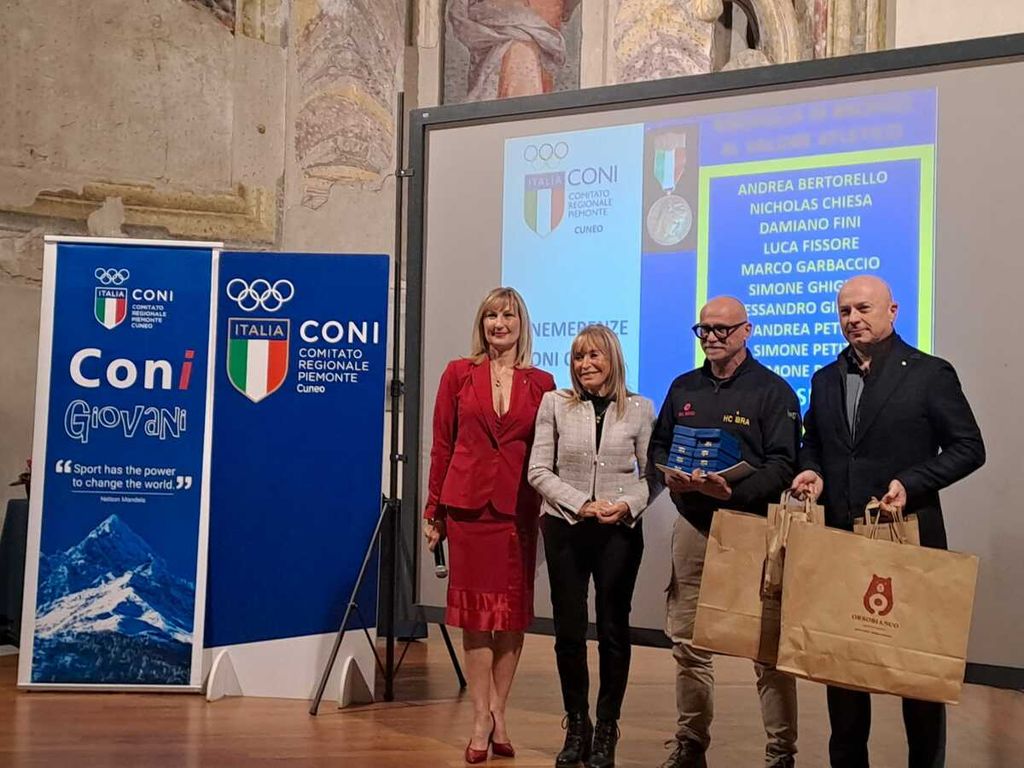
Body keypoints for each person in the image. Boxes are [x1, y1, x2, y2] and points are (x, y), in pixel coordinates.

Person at [791, 275, 985, 768]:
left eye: (863, 308)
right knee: (843, 676)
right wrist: (811, 470)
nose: (853, 319)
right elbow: (814, 442)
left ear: (893, 311)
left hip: (909, 541)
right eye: (844, 311)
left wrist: (912, 482)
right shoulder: (825, 378)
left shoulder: (929, 373)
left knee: (918, 679)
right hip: (841, 542)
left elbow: (969, 447)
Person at [648, 296, 801, 768]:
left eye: (722, 329)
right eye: (704, 330)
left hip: (752, 528)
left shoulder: (773, 391)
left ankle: (780, 753)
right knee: (687, 641)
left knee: (767, 649)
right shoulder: (683, 386)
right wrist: (671, 475)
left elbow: (784, 464)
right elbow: (659, 445)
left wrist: (733, 492)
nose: (711, 338)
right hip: (693, 526)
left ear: (746, 331)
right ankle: (691, 742)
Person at [423, 286, 555, 764]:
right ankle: (480, 716)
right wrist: (433, 511)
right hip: (467, 510)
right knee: (476, 618)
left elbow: (548, 450)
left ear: (522, 324)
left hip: (518, 510)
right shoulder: (458, 373)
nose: (500, 324)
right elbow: (442, 444)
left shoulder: (542, 382)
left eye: (508, 315)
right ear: (482, 324)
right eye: (491, 316)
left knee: (512, 617)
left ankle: (501, 710)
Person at [528, 324, 656, 768]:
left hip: (619, 530)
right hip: (565, 527)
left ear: (612, 359)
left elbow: (653, 476)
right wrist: (580, 503)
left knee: (613, 630)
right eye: (579, 357)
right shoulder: (555, 404)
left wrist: (625, 505)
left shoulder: (640, 408)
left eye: (594, 356)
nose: (585, 364)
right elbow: (538, 470)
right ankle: (577, 724)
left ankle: (606, 728)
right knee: (568, 630)